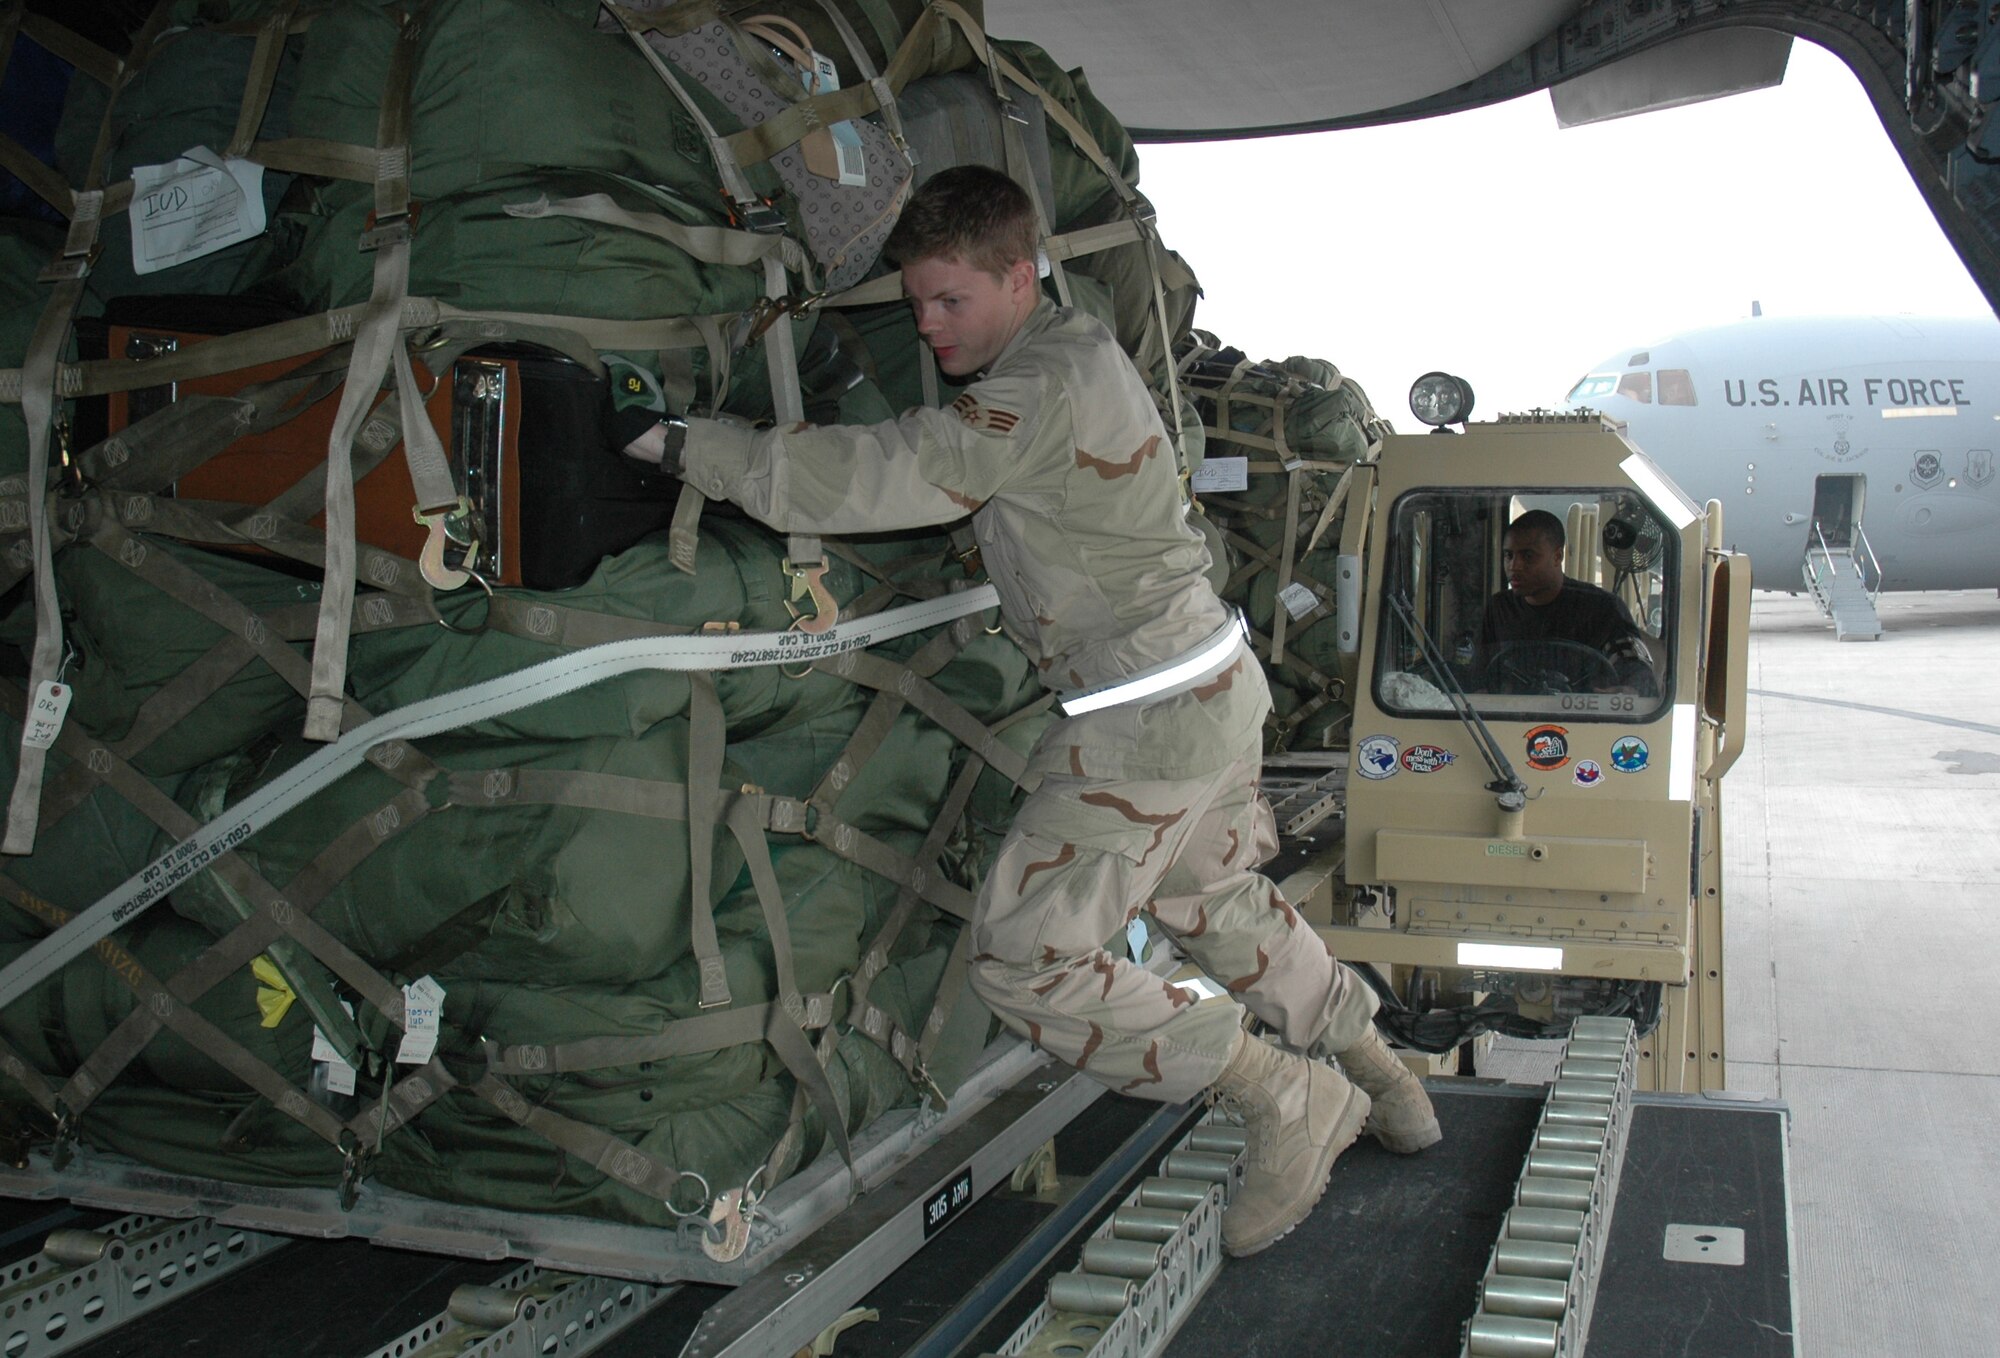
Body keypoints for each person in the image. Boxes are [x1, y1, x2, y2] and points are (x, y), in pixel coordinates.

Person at [610, 166, 1438, 1257]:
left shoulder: (1033, 387)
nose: (929, 324)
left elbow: (887, 474)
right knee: (1215, 899)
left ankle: (1281, 1095)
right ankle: (1382, 1073)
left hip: (1146, 713)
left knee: (1023, 958)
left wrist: (684, 444)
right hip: (1209, 682)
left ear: (1018, 273)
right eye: (914, 303)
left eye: (950, 300)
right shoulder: (1074, 349)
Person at [1476, 510, 1657, 695]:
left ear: (1557, 556)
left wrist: (1628, 690)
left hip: (1586, 721)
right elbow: (1479, 675)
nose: (1514, 566)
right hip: (1509, 721)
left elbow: (1637, 672)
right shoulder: (1499, 608)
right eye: (1509, 556)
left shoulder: (1603, 608)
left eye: (1528, 556)